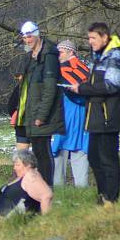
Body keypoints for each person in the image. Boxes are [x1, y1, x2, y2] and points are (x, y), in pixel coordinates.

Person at [70, 22, 120, 206]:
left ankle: (111, 198)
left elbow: (112, 84)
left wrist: (83, 88)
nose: (90, 42)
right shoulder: (100, 56)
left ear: (104, 37)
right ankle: (102, 195)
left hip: (108, 115)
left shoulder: (115, 55)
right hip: (96, 115)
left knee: (107, 158)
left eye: (93, 38)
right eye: (89, 38)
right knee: (94, 157)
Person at [14, 21, 64, 185]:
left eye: (29, 36)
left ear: (36, 35)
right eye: (24, 37)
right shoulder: (29, 58)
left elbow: (50, 90)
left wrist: (41, 115)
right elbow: (24, 89)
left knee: (43, 152)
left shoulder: (49, 56)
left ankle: (46, 188)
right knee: (36, 152)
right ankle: (36, 188)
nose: (27, 40)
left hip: (42, 115)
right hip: (30, 113)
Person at [51, 40, 90, 187]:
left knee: (61, 152)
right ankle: (80, 190)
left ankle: (60, 190)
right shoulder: (85, 68)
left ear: (70, 52)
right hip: (76, 115)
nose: (58, 56)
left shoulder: (64, 69)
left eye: (60, 52)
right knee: (77, 152)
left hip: (69, 115)